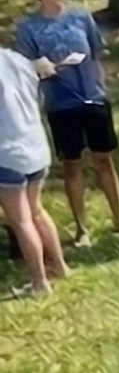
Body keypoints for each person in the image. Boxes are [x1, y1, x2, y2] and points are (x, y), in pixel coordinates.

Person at [15, 0, 119, 245]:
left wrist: (101, 88)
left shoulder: (81, 17)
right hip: (61, 103)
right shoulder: (28, 27)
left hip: (93, 97)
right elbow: (24, 66)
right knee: (72, 164)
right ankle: (81, 228)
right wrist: (42, 67)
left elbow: (96, 53)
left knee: (104, 159)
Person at [0, 42, 67, 295]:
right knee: (36, 210)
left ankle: (39, 282)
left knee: (21, 220)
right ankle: (59, 266)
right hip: (36, 146)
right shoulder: (17, 59)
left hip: (7, 153)